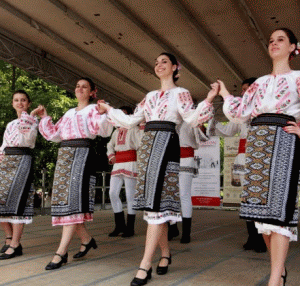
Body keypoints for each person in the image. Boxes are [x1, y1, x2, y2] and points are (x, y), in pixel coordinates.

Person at [98, 52, 218, 286]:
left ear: (175, 67)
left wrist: (210, 98)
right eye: (156, 62)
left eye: (164, 62)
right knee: (155, 206)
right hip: (147, 147)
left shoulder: (180, 93)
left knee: (157, 205)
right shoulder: (150, 96)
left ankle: (145, 264)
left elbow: (193, 118)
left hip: (167, 144)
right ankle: (165, 254)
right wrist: (110, 109)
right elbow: (132, 121)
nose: (159, 65)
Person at [217, 28, 300, 286]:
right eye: (271, 40)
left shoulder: (299, 77)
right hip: (257, 143)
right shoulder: (259, 83)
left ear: (294, 48)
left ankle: (275, 279)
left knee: (279, 210)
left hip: (284, 140)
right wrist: (224, 94)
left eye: (281, 40)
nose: (274, 43)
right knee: (260, 213)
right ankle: (279, 269)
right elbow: (240, 112)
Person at [33, 78, 113, 270]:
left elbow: (104, 130)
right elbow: (55, 134)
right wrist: (44, 117)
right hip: (64, 156)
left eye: (84, 86)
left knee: (72, 202)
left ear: (93, 91)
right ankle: (87, 240)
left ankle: (61, 253)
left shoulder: (95, 109)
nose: (79, 88)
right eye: (77, 85)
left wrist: (104, 112)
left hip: (82, 154)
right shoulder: (69, 112)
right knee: (63, 201)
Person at [207, 78, 267, 253]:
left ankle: (262, 239)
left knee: (260, 199)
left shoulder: (266, 108)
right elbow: (228, 130)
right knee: (247, 199)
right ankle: (253, 237)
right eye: (242, 90)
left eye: (247, 89)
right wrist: (212, 120)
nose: (243, 92)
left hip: (261, 157)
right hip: (243, 158)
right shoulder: (241, 112)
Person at [0, 90, 38, 260]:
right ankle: (9, 237)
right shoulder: (10, 124)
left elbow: (27, 140)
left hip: (22, 159)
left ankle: (15, 244)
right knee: (1, 200)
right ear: (12, 103)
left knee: (18, 200)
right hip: (6, 161)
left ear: (28, 103)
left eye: (23, 100)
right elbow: (3, 145)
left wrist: (28, 117)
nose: (20, 103)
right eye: (16, 100)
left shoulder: (32, 121)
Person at [107, 106, 143, 238]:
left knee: (130, 195)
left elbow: (141, 142)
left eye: (123, 114)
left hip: (131, 162)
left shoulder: (134, 129)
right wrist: (111, 155)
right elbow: (110, 145)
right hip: (118, 164)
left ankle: (130, 228)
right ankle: (119, 225)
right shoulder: (116, 132)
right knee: (112, 193)